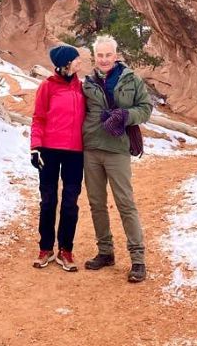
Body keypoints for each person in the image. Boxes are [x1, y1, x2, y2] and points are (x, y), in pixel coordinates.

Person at [81, 34, 151, 283]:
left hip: (117, 149)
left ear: (116, 55)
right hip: (91, 148)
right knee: (96, 203)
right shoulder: (86, 82)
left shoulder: (131, 80)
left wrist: (125, 115)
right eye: (100, 55)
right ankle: (105, 252)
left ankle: (138, 259)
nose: (104, 59)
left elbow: (146, 108)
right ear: (95, 56)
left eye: (108, 54)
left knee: (125, 203)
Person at [30, 43, 86, 272]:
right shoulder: (47, 87)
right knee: (48, 200)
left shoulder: (82, 88)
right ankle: (45, 248)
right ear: (65, 64)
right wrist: (35, 147)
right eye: (76, 59)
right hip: (49, 151)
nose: (79, 62)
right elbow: (38, 118)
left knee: (70, 202)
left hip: (75, 152)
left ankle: (66, 249)